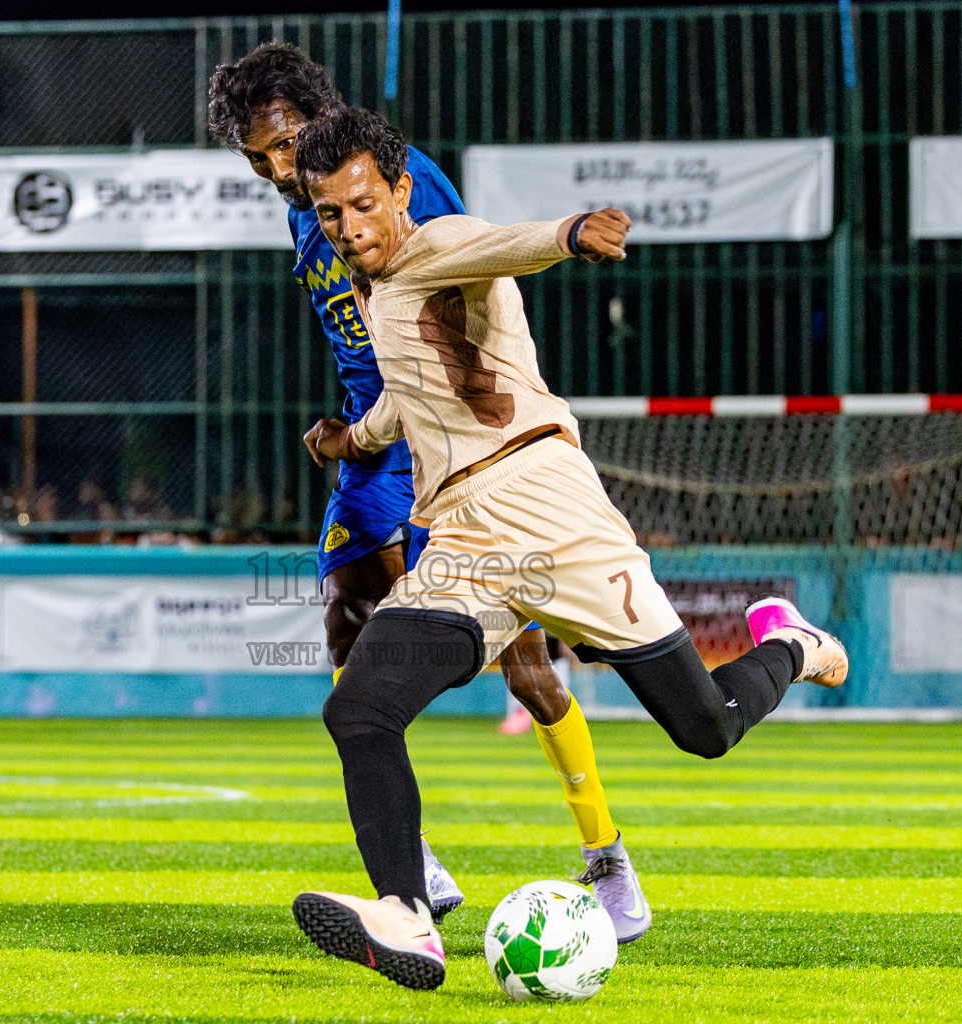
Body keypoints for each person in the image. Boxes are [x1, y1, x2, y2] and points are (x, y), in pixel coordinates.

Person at [289, 107, 849, 990]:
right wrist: (350, 440)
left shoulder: (440, 242)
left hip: (553, 513)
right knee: (359, 709)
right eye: (330, 214)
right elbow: (410, 398)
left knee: (704, 729)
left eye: (364, 204)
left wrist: (572, 234)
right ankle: (405, 915)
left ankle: (794, 645)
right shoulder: (381, 290)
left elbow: (508, 245)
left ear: (400, 190)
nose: (351, 229)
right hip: (466, 540)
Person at [208, 42, 645, 933]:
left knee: (522, 663)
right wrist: (351, 428)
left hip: (445, 437)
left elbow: (476, 273)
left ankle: (606, 855)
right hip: (372, 442)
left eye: (284, 145)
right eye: (257, 160)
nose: (276, 169)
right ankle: (414, 871)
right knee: (346, 615)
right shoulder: (309, 213)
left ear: (321, 119)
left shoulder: (403, 182)